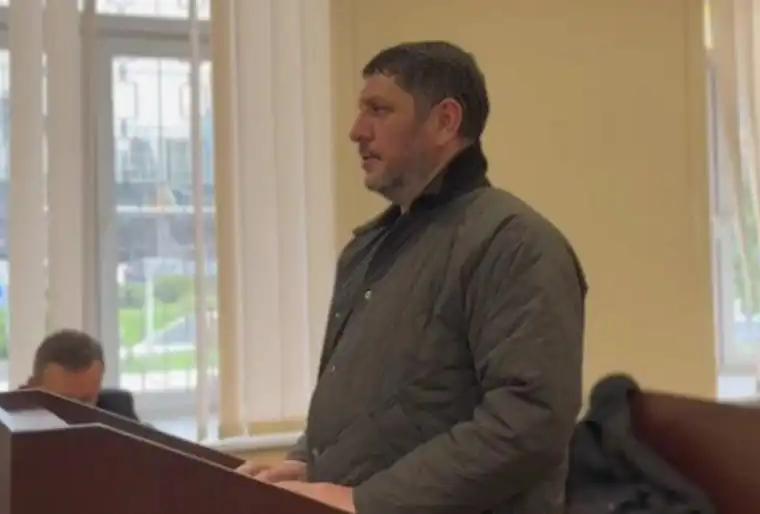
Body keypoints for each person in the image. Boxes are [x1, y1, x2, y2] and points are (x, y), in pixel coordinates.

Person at [238, 41, 587, 514]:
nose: (356, 131)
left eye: (379, 110)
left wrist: (368, 500)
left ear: (445, 121)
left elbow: (529, 421)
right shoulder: (367, 249)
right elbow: (390, 404)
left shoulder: (516, 245)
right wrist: (309, 462)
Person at [0, 329, 139, 511]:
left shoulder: (117, 412)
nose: (75, 412)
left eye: (86, 400)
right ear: (31, 387)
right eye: (63, 400)